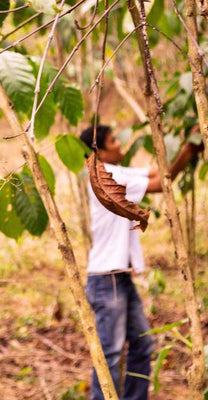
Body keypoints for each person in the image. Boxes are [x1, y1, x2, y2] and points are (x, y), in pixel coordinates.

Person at [79, 125, 202, 400]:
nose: (121, 145)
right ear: (100, 150)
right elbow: (162, 181)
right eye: (114, 141)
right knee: (109, 353)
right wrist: (190, 149)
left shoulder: (116, 172)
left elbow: (158, 173)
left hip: (118, 277)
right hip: (106, 278)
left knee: (142, 344)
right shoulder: (106, 175)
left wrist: (185, 146)